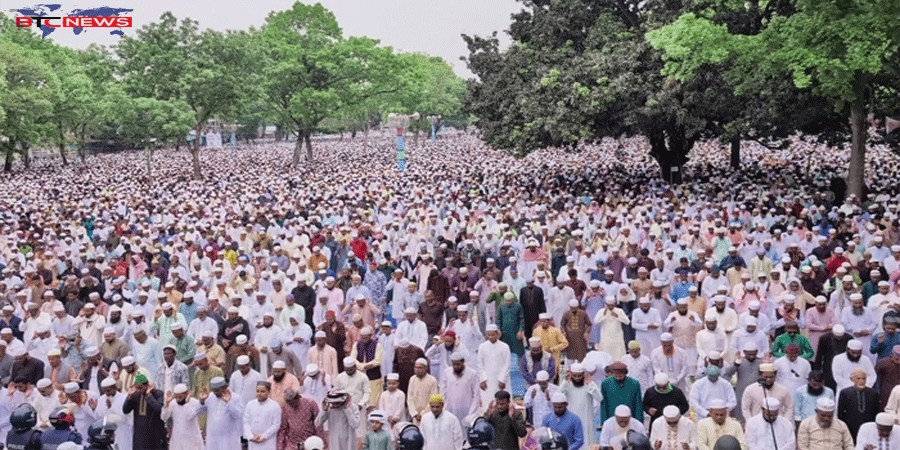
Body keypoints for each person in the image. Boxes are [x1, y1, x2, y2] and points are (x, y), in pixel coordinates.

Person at [560, 363, 602, 448]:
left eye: (579, 376)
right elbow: (557, 397)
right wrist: (564, 383)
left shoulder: (589, 384)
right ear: (571, 374)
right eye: (574, 376)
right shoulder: (567, 384)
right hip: (571, 420)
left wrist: (591, 384)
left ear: (583, 375)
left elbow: (600, 398)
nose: (577, 378)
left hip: (586, 420)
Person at [122, 374, 166, 450]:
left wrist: (148, 395)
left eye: (140, 387)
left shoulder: (158, 394)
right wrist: (129, 397)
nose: (139, 390)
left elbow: (159, 409)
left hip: (154, 434)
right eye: (137, 388)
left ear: (147, 385)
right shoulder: (135, 395)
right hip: (139, 435)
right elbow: (125, 410)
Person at [439, 352, 479, 428]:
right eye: (454, 364)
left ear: (463, 362)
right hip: (450, 409)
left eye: (458, 364)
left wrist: (472, 413)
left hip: (467, 410)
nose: (456, 367)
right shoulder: (447, 372)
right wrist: (443, 409)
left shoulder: (472, 373)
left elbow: (476, 395)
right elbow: (443, 392)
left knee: (465, 434)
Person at [837, 369, 879, 439]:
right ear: (852, 379)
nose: (861, 381)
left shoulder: (874, 393)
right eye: (858, 378)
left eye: (863, 378)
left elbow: (876, 412)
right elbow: (840, 414)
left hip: (868, 428)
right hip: (850, 428)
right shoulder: (845, 393)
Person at [161, 384, 205, 450]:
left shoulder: (194, 402)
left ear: (186, 394)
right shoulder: (173, 403)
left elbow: (190, 416)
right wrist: (167, 404)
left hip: (192, 440)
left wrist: (187, 402)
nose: (178, 399)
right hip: (177, 440)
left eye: (180, 397)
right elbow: (164, 417)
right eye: (176, 397)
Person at [477, 324, 511, 410]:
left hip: (502, 379)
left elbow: (507, 364)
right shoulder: (482, 347)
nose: (491, 337)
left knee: (503, 402)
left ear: (497, 334)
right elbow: (480, 364)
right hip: (487, 379)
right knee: (488, 403)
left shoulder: (505, 347)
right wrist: (482, 379)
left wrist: (502, 379)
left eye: (493, 334)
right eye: (489, 335)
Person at [204, 377, 243, 450]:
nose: (215, 393)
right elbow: (197, 411)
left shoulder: (236, 397)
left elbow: (238, 415)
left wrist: (228, 402)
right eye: (214, 390)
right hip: (213, 438)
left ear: (224, 388)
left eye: (217, 390)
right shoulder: (210, 397)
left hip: (229, 439)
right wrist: (201, 401)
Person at [407, 358, 438, 425]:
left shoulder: (432, 380)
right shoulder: (412, 379)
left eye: (420, 368)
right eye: (415, 367)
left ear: (426, 368)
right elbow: (410, 398)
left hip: (428, 415)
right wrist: (414, 414)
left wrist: (423, 414)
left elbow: (433, 399)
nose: (417, 370)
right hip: (415, 416)